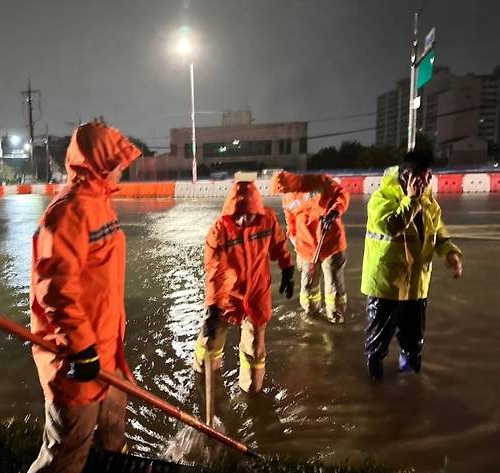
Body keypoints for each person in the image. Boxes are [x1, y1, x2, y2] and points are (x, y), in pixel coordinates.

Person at [23, 122, 141, 473]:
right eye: (117, 160)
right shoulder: (69, 212)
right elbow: (56, 288)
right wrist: (81, 347)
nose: (123, 166)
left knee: (113, 430)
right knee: (67, 448)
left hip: (106, 352)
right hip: (76, 358)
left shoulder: (100, 204)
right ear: (100, 162)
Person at [361, 150, 463, 380]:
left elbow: (438, 232)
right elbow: (392, 226)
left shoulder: (428, 202)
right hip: (386, 286)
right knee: (377, 344)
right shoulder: (381, 199)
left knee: (413, 342)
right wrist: (411, 199)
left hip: (417, 286)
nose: (427, 182)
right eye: (423, 177)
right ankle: (374, 385)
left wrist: (450, 253)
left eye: (429, 176)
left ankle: (410, 382)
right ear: (407, 176)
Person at [193, 174, 295, 396]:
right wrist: (212, 307)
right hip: (227, 296)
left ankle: (251, 390)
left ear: (256, 211)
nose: (242, 221)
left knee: (255, 348)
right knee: (211, 341)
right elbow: (215, 272)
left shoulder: (267, 219)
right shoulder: (219, 231)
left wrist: (287, 268)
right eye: (238, 215)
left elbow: (278, 245)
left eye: (248, 215)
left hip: (257, 293)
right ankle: (202, 375)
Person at [272, 170, 350, 323]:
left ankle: (336, 316)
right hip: (306, 248)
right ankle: (311, 313)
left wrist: (335, 211)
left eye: (285, 189)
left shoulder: (319, 182)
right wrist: (294, 240)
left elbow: (342, 194)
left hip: (330, 242)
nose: (284, 193)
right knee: (308, 286)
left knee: (334, 285)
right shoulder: (287, 198)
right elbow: (291, 222)